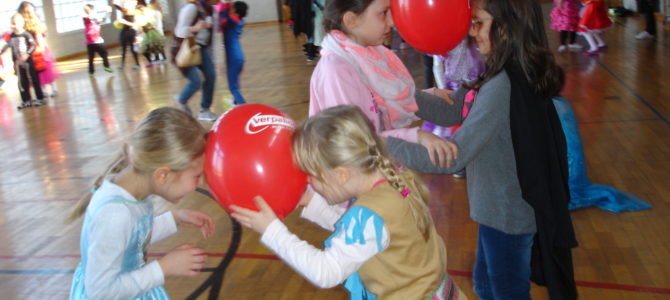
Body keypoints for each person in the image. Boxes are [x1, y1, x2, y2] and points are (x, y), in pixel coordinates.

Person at [384, 0, 578, 299]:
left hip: (507, 215)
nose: (472, 32)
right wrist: (397, 96)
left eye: (479, 22)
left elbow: (453, 155)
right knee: (487, 286)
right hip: (499, 210)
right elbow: (455, 109)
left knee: (505, 292)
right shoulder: (501, 73)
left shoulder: (503, 85)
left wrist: (381, 143)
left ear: (506, 28)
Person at [231, 105, 466, 299]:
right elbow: (361, 235)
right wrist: (311, 201)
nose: (309, 182)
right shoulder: (396, 180)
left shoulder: (371, 212)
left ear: (341, 174)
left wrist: (273, 232)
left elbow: (327, 271)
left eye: (312, 176)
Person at [68, 107, 215, 300]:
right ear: (162, 175)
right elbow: (100, 292)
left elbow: (132, 236)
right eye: (196, 176)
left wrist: (175, 218)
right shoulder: (114, 214)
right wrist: (164, 268)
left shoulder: (133, 192)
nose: (200, 183)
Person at [311, 0, 459, 169]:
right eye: (383, 13)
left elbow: (381, 100)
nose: (392, 22)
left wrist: (430, 95)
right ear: (351, 20)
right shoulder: (337, 71)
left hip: (380, 165)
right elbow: (356, 141)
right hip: (357, 176)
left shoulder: (371, 54)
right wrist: (417, 136)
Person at [172, 0, 219, 121]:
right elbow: (179, 31)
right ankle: (181, 99)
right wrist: (196, 28)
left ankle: (205, 110)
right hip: (187, 49)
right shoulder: (191, 8)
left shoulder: (207, 9)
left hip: (200, 48)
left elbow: (209, 36)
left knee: (211, 76)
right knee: (195, 82)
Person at [1, 14, 45, 109]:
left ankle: (40, 98)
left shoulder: (26, 34)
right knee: (21, 81)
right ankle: (26, 100)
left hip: (28, 62)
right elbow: (8, 45)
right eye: (11, 24)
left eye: (15, 24)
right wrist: (2, 51)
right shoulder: (12, 36)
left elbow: (33, 45)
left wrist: (27, 54)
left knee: (33, 79)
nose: (13, 26)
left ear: (21, 24)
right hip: (18, 63)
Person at [18, 1, 60, 97]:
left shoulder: (35, 25)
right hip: (33, 52)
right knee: (38, 72)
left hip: (39, 51)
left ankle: (53, 88)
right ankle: (43, 89)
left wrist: (42, 52)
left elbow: (40, 39)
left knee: (45, 71)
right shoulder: (26, 26)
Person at [219, 0, 248, 105]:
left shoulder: (232, 22)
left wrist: (226, 4)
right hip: (238, 57)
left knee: (233, 87)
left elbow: (223, 14)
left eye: (233, 8)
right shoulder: (238, 21)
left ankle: (243, 106)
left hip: (234, 58)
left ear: (236, 11)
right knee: (235, 83)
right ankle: (236, 101)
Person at [83, 4, 113, 76]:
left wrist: (108, 12)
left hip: (89, 42)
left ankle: (91, 72)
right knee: (104, 54)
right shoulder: (91, 17)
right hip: (97, 41)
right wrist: (108, 12)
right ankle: (106, 66)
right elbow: (103, 20)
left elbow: (102, 20)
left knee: (91, 58)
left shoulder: (85, 18)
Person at [113, 0, 141, 69]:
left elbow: (135, 24)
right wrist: (114, 4)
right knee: (123, 49)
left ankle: (138, 64)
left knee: (132, 49)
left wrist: (125, 22)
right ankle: (122, 65)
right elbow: (118, 7)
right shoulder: (125, 12)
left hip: (131, 32)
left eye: (125, 4)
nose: (124, 5)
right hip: (124, 32)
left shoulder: (133, 13)